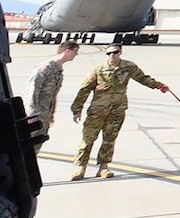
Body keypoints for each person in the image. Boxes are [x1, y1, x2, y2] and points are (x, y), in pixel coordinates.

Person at [69, 44, 169, 180]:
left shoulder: (129, 67)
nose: (112, 56)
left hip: (117, 111)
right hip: (97, 112)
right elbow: (84, 89)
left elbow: (143, 78)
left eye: (115, 53)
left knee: (109, 139)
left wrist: (158, 86)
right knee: (87, 140)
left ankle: (103, 167)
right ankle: (81, 167)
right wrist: (77, 109)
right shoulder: (99, 70)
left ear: (120, 53)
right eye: (109, 53)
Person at [26, 42, 78, 135]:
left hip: (45, 114)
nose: (76, 54)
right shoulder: (46, 67)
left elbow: (53, 95)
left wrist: (51, 114)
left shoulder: (58, 70)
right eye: (75, 51)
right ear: (67, 51)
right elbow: (33, 90)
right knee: (30, 141)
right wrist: (32, 112)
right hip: (36, 114)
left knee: (39, 140)